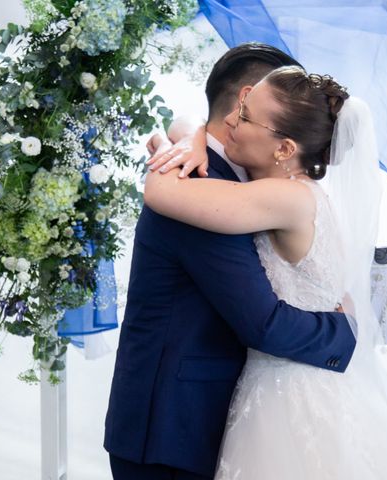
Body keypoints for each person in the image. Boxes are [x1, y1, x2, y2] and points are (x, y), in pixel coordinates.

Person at [144, 66, 387, 479]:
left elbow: (159, 191)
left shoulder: (284, 198)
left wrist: (170, 148)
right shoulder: (301, 192)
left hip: (291, 392)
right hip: (304, 376)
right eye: (241, 104)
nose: (230, 118)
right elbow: (189, 121)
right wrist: (191, 133)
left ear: (283, 149)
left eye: (244, 116)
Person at [103, 44, 358, 480]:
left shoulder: (256, 189)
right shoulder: (198, 181)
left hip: (235, 416)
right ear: (242, 95)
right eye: (243, 107)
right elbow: (261, 323)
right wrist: (348, 332)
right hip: (172, 431)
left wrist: (186, 132)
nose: (238, 119)